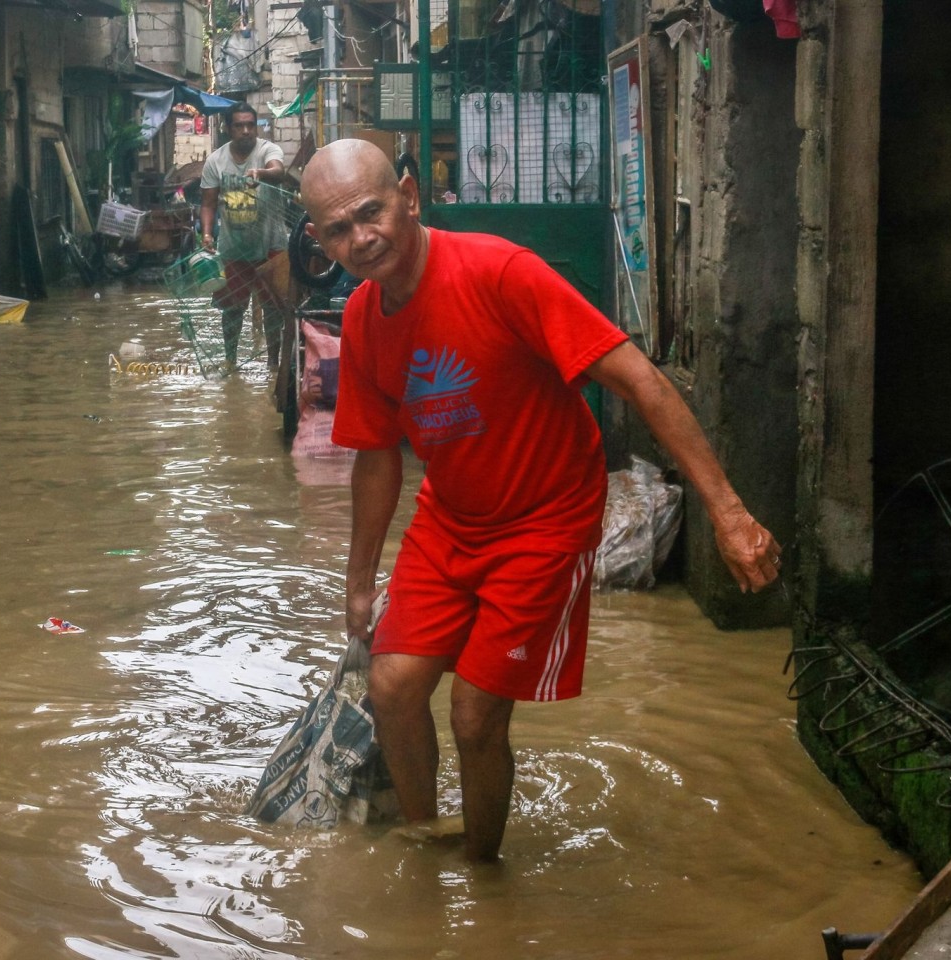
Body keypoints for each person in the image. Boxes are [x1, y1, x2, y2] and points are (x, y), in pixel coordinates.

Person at [300, 139, 784, 863]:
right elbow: (376, 455)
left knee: (472, 717)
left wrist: (730, 511)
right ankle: (427, 848)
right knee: (394, 686)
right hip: (450, 516)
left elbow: (642, 382)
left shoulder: (499, 271)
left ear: (408, 195)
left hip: (545, 522)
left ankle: (482, 873)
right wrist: (360, 580)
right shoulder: (365, 319)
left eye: (370, 213)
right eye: (338, 230)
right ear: (317, 241)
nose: (361, 239)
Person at [199, 103, 287, 367]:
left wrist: (261, 173)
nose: (246, 131)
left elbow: (279, 171)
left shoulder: (267, 150)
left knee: (273, 308)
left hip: (271, 244)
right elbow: (208, 203)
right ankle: (230, 361)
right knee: (232, 308)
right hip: (233, 247)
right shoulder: (216, 161)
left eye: (251, 125)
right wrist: (206, 235)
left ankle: (273, 364)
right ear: (228, 129)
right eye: (239, 125)